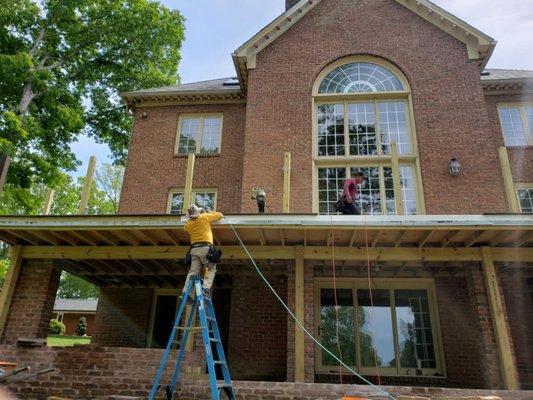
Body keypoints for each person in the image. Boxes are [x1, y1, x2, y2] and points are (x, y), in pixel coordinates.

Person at [181, 204, 223, 300]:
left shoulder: (188, 223)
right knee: (211, 268)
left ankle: (185, 292)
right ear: (198, 212)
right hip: (205, 248)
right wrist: (209, 212)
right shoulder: (204, 217)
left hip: (194, 249)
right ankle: (205, 288)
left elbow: (185, 228)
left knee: (193, 272)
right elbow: (220, 215)